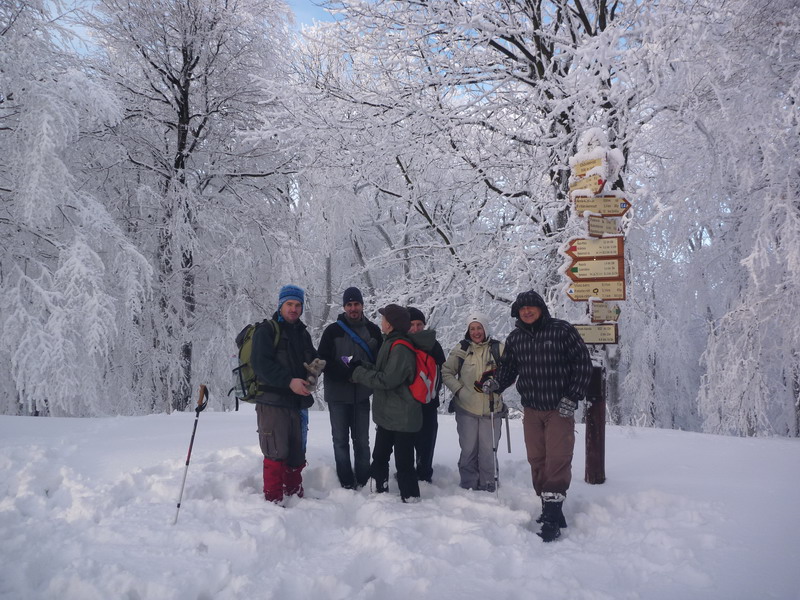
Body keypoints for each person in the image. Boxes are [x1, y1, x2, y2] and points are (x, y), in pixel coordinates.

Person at [483, 290, 592, 541]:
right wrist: (496, 383)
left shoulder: (561, 330)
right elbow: (509, 369)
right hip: (532, 408)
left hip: (559, 407)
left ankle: (552, 517)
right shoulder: (516, 338)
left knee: (558, 458)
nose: (527, 311)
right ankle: (550, 507)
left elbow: (582, 364)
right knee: (537, 459)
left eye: (531, 307)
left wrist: (572, 396)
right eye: (522, 309)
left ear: (541, 308)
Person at [348, 304, 429, 502]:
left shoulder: (400, 348)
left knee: (404, 463)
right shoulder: (390, 342)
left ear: (390, 324)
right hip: (389, 414)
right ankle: (379, 492)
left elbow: (388, 380)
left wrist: (358, 373)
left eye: (383, 319)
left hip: (403, 415)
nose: (381, 321)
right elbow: (382, 370)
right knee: (380, 456)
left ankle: (411, 499)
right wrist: (361, 365)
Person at [250, 284, 318, 504]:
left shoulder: (303, 334)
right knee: (275, 452)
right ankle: (273, 502)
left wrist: (314, 371)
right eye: (289, 304)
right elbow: (260, 364)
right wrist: (289, 381)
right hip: (272, 403)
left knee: (296, 454)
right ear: (280, 305)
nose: (294, 309)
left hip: (296, 403)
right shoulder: (267, 331)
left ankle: (295, 497)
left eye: (298, 305)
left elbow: (311, 360)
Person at [317, 287, 383, 489]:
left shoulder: (373, 330)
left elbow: (381, 361)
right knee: (340, 441)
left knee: (362, 441)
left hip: (362, 395)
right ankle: (346, 481)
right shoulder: (332, 331)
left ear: (362, 305)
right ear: (344, 307)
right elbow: (323, 360)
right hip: (337, 396)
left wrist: (363, 372)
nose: (353, 308)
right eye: (349, 305)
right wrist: (348, 374)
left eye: (356, 304)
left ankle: (363, 480)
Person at [441, 312, 505, 492]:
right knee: (468, 449)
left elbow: (511, 372)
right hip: (466, 409)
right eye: (472, 329)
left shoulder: (498, 349)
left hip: (492, 409)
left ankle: (488, 484)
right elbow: (446, 372)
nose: (476, 332)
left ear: (486, 329)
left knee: (488, 450)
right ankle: (468, 484)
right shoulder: (462, 349)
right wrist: (459, 390)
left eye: (479, 328)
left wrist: (498, 384)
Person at [407, 307, 446, 484]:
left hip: (429, 402)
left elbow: (442, 371)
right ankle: (408, 472)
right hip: (407, 404)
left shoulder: (433, 345)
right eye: (412, 324)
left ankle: (424, 473)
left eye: (419, 324)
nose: (415, 329)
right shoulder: (402, 343)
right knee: (407, 440)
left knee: (427, 440)